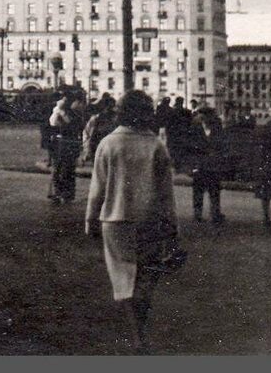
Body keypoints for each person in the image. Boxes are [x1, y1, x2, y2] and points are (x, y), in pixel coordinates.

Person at [86, 90, 182, 353]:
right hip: (149, 221)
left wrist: (91, 220)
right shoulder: (156, 145)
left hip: (115, 222)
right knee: (146, 277)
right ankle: (140, 329)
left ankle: (137, 335)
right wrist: (172, 228)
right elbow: (167, 194)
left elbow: (98, 189)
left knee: (123, 278)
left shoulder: (108, 144)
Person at [189, 105, 227, 224]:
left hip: (214, 164)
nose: (203, 118)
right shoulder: (195, 128)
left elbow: (222, 144)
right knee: (198, 190)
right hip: (200, 164)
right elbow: (191, 145)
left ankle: (215, 213)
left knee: (214, 190)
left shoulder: (217, 128)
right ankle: (197, 214)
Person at [49, 91, 84, 204]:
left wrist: (60, 111)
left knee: (67, 170)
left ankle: (66, 194)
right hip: (61, 143)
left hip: (69, 143)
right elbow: (53, 123)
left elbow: (70, 123)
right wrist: (57, 110)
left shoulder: (76, 113)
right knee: (58, 169)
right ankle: (58, 193)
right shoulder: (63, 111)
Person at [82, 93, 117, 164]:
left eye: (111, 107)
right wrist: (87, 149)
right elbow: (87, 134)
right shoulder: (95, 119)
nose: (109, 109)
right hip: (97, 147)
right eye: (107, 107)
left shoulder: (116, 119)